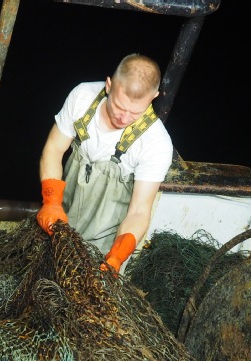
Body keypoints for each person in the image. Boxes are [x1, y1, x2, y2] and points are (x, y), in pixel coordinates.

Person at [37, 53, 174, 274]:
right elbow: (54, 149)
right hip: (60, 221)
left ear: (154, 97)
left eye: (135, 112)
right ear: (109, 85)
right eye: (119, 106)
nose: (124, 117)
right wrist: (51, 201)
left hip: (106, 244)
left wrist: (118, 254)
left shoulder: (156, 143)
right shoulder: (83, 97)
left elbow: (139, 211)